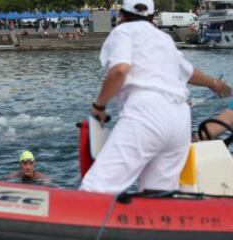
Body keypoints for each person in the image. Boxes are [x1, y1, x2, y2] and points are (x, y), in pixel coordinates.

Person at [79, 0, 231, 195]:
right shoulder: (164, 39)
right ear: (152, 18)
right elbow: (189, 73)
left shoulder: (123, 31)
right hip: (180, 119)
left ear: (122, 16)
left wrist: (99, 106)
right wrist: (214, 83)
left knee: (95, 188)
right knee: (158, 194)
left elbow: (120, 70)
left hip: (146, 114)